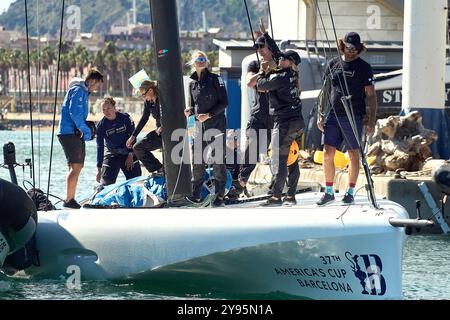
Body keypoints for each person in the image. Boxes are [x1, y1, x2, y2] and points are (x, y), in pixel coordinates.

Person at [316, 32, 377, 206]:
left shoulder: (364, 67)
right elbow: (325, 91)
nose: (351, 52)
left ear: (359, 49)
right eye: (348, 47)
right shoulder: (333, 64)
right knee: (328, 155)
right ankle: (329, 192)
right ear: (342, 45)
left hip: (353, 116)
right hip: (333, 115)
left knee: (353, 154)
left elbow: (371, 96)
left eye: (354, 49)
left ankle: (350, 192)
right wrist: (321, 114)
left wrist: (371, 120)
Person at [256, 50, 305, 206]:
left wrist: (263, 72)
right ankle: (290, 196)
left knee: (279, 159)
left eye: (283, 58)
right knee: (292, 159)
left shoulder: (281, 77)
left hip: (285, 123)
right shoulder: (292, 76)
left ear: (290, 62)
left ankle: (276, 197)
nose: (280, 59)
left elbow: (261, 85)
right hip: (297, 123)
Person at [184, 50, 228, 207]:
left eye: (203, 59)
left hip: (216, 124)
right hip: (198, 127)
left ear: (207, 62)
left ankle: (220, 195)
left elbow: (224, 103)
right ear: (193, 63)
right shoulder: (191, 83)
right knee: (197, 161)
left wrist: (209, 115)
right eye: (198, 59)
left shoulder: (216, 79)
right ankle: (196, 195)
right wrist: (189, 110)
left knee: (217, 161)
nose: (201, 61)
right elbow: (191, 104)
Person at [58, 67, 103, 209]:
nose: (96, 88)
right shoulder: (79, 91)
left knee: (74, 166)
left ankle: (70, 198)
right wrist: (86, 132)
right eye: (97, 85)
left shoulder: (81, 91)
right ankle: (69, 200)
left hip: (69, 132)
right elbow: (75, 113)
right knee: (76, 166)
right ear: (92, 81)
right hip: (70, 132)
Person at [237, 30, 276, 191]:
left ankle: (277, 184)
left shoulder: (279, 63)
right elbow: (249, 82)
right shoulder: (255, 65)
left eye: (262, 46)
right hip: (258, 114)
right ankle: (241, 181)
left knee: (277, 150)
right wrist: (262, 71)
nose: (259, 49)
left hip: (276, 115)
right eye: (257, 47)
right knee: (251, 145)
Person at [96, 97, 141, 188]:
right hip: (112, 154)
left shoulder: (125, 118)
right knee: (106, 185)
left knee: (136, 182)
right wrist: (99, 169)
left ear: (114, 107)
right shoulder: (101, 125)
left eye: (108, 108)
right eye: (103, 109)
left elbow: (133, 137)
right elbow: (99, 147)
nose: (106, 111)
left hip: (128, 153)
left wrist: (130, 154)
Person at [126, 80, 164, 175]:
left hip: (169, 130)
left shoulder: (162, 98)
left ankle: (161, 169)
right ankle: (159, 168)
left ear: (150, 90)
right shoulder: (148, 102)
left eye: (143, 94)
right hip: (159, 132)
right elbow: (144, 118)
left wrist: (164, 126)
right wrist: (133, 136)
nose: (143, 97)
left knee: (139, 148)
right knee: (137, 147)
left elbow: (171, 113)